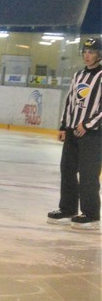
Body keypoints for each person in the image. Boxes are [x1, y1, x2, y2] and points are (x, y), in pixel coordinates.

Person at [47, 37, 102, 231]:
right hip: (72, 132)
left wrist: (87, 124)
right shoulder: (78, 75)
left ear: (99, 54)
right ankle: (68, 209)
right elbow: (70, 101)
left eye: (92, 52)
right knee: (67, 170)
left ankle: (91, 215)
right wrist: (64, 126)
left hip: (93, 135)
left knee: (88, 174)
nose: (87, 55)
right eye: (85, 52)